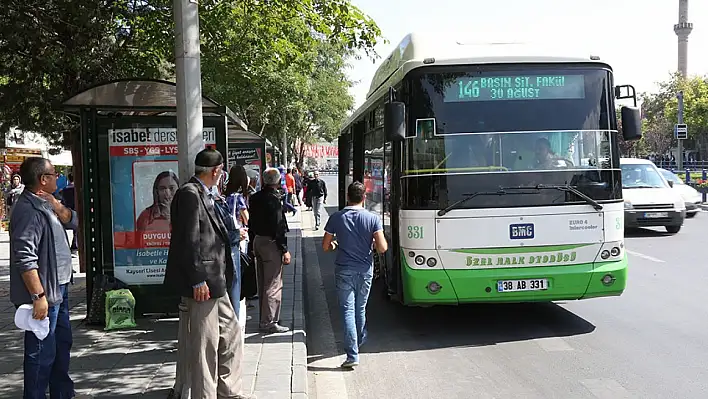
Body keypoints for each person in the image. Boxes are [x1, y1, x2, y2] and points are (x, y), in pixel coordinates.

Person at [163, 149, 253, 399]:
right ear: (216, 171)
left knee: (232, 332)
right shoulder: (190, 194)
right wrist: (197, 279)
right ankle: (206, 395)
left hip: (215, 280)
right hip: (203, 281)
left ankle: (229, 391)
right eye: (221, 172)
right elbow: (187, 240)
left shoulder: (205, 193)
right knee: (206, 343)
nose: (222, 176)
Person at [9, 157, 91, 399]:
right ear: (43, 180)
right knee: (41, 352)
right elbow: (25, 257)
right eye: (54, 174)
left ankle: (62, 392)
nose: (58, 177)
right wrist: (38, 296)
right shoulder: (27, 210)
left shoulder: (46, 202)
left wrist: (56, 205)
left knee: (61, 345)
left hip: (59, 287)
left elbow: (73, 221)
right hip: (45, 293)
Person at [322, 182, 388, 369]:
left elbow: (326, 246)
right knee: (360, 309)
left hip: (344, 269)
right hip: (365, 269)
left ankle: (352, 354)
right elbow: (382, 247)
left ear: (347, 197)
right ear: (364, 197)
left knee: (347, 311)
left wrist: (335, 245)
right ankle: (359, 341)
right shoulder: (372, 218)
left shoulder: (336, 217)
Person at [249, 168, 291, 333]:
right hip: (270, 242)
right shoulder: (273, 200)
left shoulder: (255, 198)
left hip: (258, 241)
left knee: (263, 282)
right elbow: (278, 226)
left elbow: (251, 222)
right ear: (277, 181)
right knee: (273, 283)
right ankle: (269, 321)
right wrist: (284, 249)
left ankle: (265, 317)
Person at [223, 165, 252, 325]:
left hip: (226, 236)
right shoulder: (238, 198)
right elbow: (247, 219)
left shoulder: (223, 196)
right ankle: (237, 307)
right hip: (239, 236)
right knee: (239, 269)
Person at [60, 173, 78, 254]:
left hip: (67, 210)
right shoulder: (77, 189)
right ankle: (74, 247)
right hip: (76, 210)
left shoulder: (64, 190)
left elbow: (63, 201)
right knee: (76, 230)